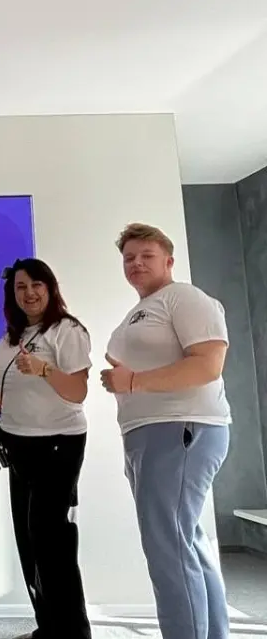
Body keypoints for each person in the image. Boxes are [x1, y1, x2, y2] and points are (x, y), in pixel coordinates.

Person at [101, 223, 231, 639]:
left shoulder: (185, 297)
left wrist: (134, 381)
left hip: (180, 429)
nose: (136, 263)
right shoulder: (142, 310)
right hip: (149, 435)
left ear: (169, 261)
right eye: (129, 258)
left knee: (168, 547)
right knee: (183, 540)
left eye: (147, 256)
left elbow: (208, 364)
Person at [0, 258, 92, 639]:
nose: (29, 293)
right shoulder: (10, 338)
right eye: (20, 287)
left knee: (52, 541)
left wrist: (45, 370)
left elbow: (78, 392)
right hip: (18, 446)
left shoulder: (67, 330)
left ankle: (73, 633)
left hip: (57, 445)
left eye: (36, 285)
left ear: (50, 288)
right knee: (29, 540)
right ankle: (48, 628)